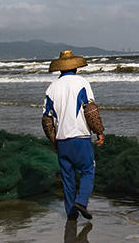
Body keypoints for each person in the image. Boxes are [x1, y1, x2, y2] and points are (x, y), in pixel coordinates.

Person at [43, 50, 105, 221]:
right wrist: (99, 131)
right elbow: (90, 109)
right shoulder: (81, 83)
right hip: (80, 136)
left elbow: (47, 119)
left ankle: (71, 214)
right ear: (76, 67)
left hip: (62, 139)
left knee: (67, 177)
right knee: (87, 170)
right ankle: (82, 201)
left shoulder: (52, 88)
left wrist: (53, 140)